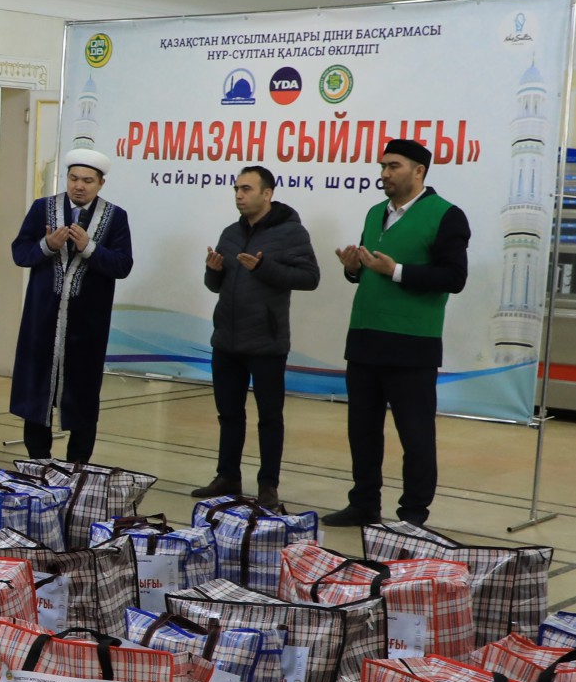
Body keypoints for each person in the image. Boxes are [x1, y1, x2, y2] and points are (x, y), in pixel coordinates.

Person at [325, 138, 469, 529]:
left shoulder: (447, 215)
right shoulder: (375, 213)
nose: (384, 173)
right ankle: (363, 503)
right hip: (365, 338)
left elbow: (454, 277)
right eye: (383, 166)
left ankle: (412, 514)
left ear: (419, 171)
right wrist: (353, 268)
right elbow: (367, 272)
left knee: (415, 435)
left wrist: (397, 271)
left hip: (412, 344)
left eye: (394, 166)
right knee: (362, 431)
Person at [198, 164, 321, 509]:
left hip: (267, 341)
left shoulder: (291, 233)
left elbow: (310, 277)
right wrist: (212, 271)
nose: (239, 195)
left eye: (247, 189)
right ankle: (227, 476)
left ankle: (268, 485)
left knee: (269, 417)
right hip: (226, 340)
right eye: (237, 189)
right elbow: (215, 286)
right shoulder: (230, 233)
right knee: (229, 414)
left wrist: (265, 268)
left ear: (267, 194)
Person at [9, 150, 134, 464]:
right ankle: (38, 461)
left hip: (87, 325)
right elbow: (20, 253)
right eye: (74, 178)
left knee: (82, 392)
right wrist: (47, 246)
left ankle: (78, 465)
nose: (79, 186)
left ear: (101, 184)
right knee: (37, 389)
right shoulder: (43, 208)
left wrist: (89, 248)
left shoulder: (115, 216)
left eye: (88, 181)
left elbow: (122, 265)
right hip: (41, 319)